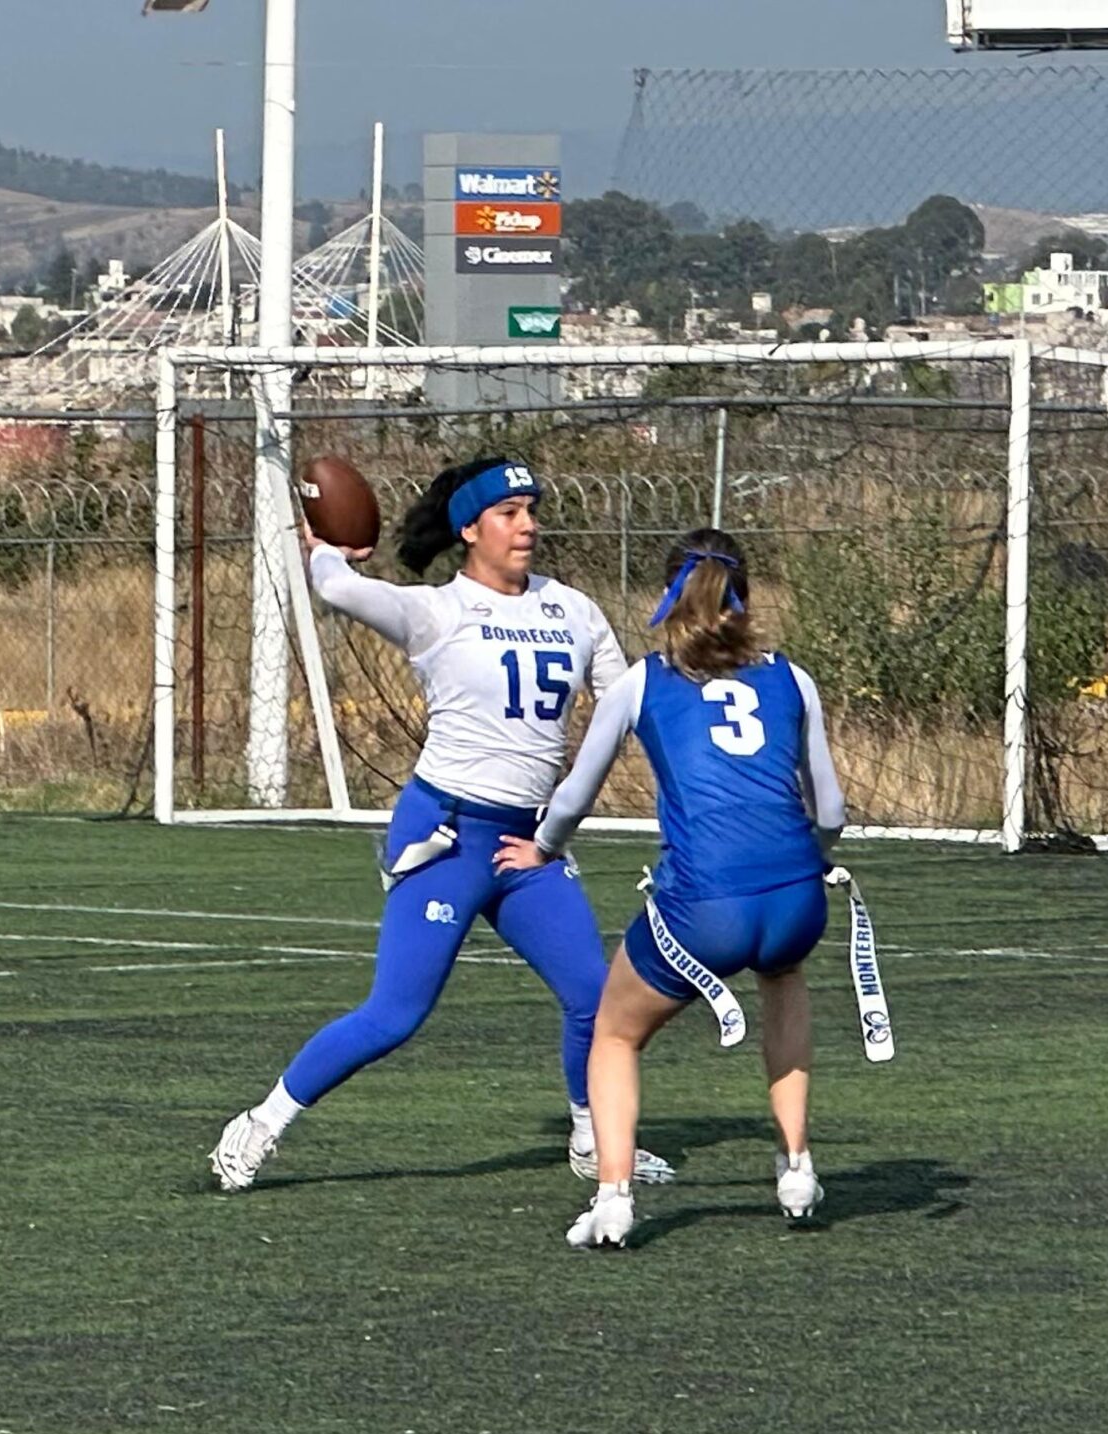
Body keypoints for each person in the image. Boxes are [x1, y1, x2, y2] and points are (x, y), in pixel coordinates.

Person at [208, 457, 674, 1192]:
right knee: (396, 1014)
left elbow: (627, 706)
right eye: (509, 512)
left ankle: (593, 1140)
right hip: (450, 832)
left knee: (595, 995)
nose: (527, 525)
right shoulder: (437, 612)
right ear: (469, 527)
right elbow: (335, 589)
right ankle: (260, 1123)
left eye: (531, 510)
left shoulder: (574, 609)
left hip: (531, 840)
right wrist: (330, 547)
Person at [493, 528, 847, 1249]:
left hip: (704, 904)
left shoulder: (641, 682)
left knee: (614, 1032)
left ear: (666, 597)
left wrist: (542, 849)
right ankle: (796, 1166)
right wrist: (806, 860)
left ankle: (615, 1197)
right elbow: (831, 812)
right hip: (794, 897)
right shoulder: (793, 677)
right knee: (783, 979)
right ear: (746, 596)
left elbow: (574, 796)